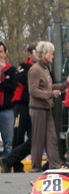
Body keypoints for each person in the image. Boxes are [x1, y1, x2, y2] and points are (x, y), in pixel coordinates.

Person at [29, 41, 69, 169]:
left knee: (51, 138)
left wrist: (64, 85)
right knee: (38, 139)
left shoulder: (44, 69)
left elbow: (47, 87)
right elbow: (33, 90)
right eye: (51, 54)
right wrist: (51, 94)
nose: (53, 56)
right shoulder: (35, 70)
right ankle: (36, 166)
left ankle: (55, 164)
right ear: (45, 54)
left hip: (46, 108)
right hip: (38, 109)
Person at [2, 44, 37, 172]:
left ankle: (10, 159)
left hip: (34, 106)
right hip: (21, 105)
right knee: (18, 136)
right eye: (34, 52)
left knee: (34, 138)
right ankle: (16, 165)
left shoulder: (42, 67)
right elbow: (19, 80)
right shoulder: (22, 67)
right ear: (29, 54)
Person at [0, 41, 16, 156]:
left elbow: (11, 86)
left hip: (7, 110)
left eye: (0, 52)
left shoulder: (11, 70)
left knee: (8, 141)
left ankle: (6, 166)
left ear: (5, 53)